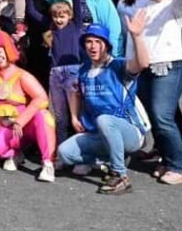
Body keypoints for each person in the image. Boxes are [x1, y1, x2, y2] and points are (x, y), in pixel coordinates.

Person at [57, 19, 150, 195]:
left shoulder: (118, 65)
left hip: (129, 131)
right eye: (89, 42)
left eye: (98, 42)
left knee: (104, 120)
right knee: (64, 153)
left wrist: (137, 36)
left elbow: (143, 63)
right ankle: (110, 158)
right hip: (99, 133)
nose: (92, 46)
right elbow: (74, 92)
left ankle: (120, 175)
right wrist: (74, 116)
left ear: (106, 45)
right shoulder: (84, 69)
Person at [119, 0, 182, 185]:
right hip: (144, 67)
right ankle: (166, 160)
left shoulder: (173, 5)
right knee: (153, 116)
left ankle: (178, 166)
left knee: (162, 115)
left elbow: (181, 0)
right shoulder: (140, 6)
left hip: (169, 64)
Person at [0, 29, 57, 183]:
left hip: (26, 126)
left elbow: (42, 98)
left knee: (44, 116)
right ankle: (15, 153)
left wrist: (21, 121)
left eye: (0, 52)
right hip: (7, 128)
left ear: (7, 50)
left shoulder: (22, 75)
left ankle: (48, 162)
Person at [21, 0, 85, 143]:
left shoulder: (76, 25)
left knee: (77, 112)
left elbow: (76, 1)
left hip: (73, 70)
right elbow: (32, 13)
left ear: (69, 15)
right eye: (56, 16)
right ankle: (61, 148)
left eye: (63, 15)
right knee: (59, 113)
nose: (59, 19)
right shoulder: (51, 28)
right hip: (55, 73)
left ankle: (80, 148)